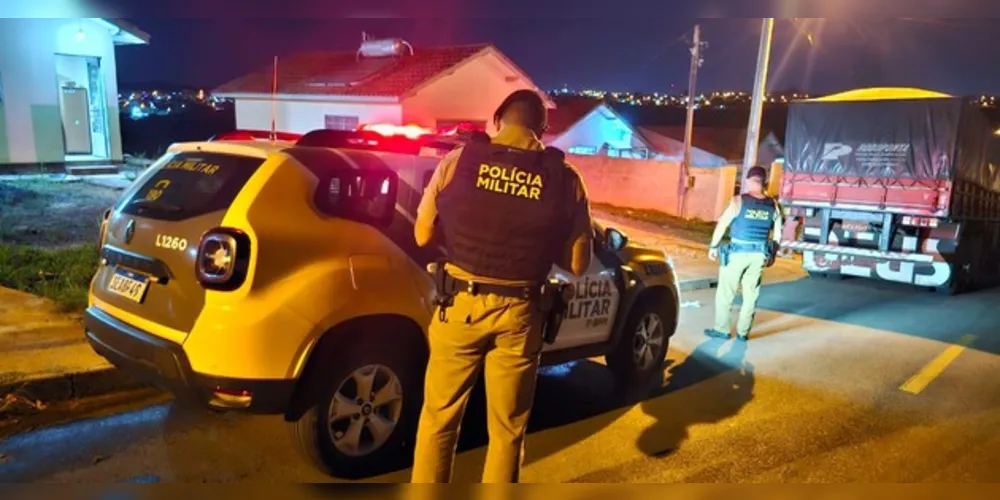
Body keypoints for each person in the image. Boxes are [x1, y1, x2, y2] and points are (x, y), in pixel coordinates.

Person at [410, 89, 593, 483]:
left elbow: (423, 234)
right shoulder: (565, 178)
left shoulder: (458, 160)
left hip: (459, 306)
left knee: (439, 421)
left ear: (497, 120)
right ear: (542, 129)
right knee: (508, 431)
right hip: (521, 314)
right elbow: (579, 263)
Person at [704, 165, 782, 342]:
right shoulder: (773, 204)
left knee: (726, 293)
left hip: (737, 254)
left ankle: (722, 329)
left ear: (748, 180)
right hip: (759, 256)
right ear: (765, 182)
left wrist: (713, 246)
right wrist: (773, 255)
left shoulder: (739, 201)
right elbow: (778, 234)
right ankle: (743, 332)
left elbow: (722, 224)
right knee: (751, 295)